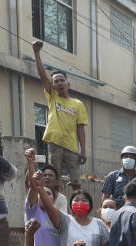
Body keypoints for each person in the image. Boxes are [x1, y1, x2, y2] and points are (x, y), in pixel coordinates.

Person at [32, 40, 87, 190]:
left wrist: (83, 150)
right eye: (56, 81)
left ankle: (77, 206)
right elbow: (42, 74)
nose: (60, 83)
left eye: (62, 80)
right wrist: (36, 52)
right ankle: (53, 206)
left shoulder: (78, 104)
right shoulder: (53, 97)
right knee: (52, 179)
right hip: (55, 144)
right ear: (53, 86)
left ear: (68, 84)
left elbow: (81, 129)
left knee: (76, 181)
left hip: (72, 147)